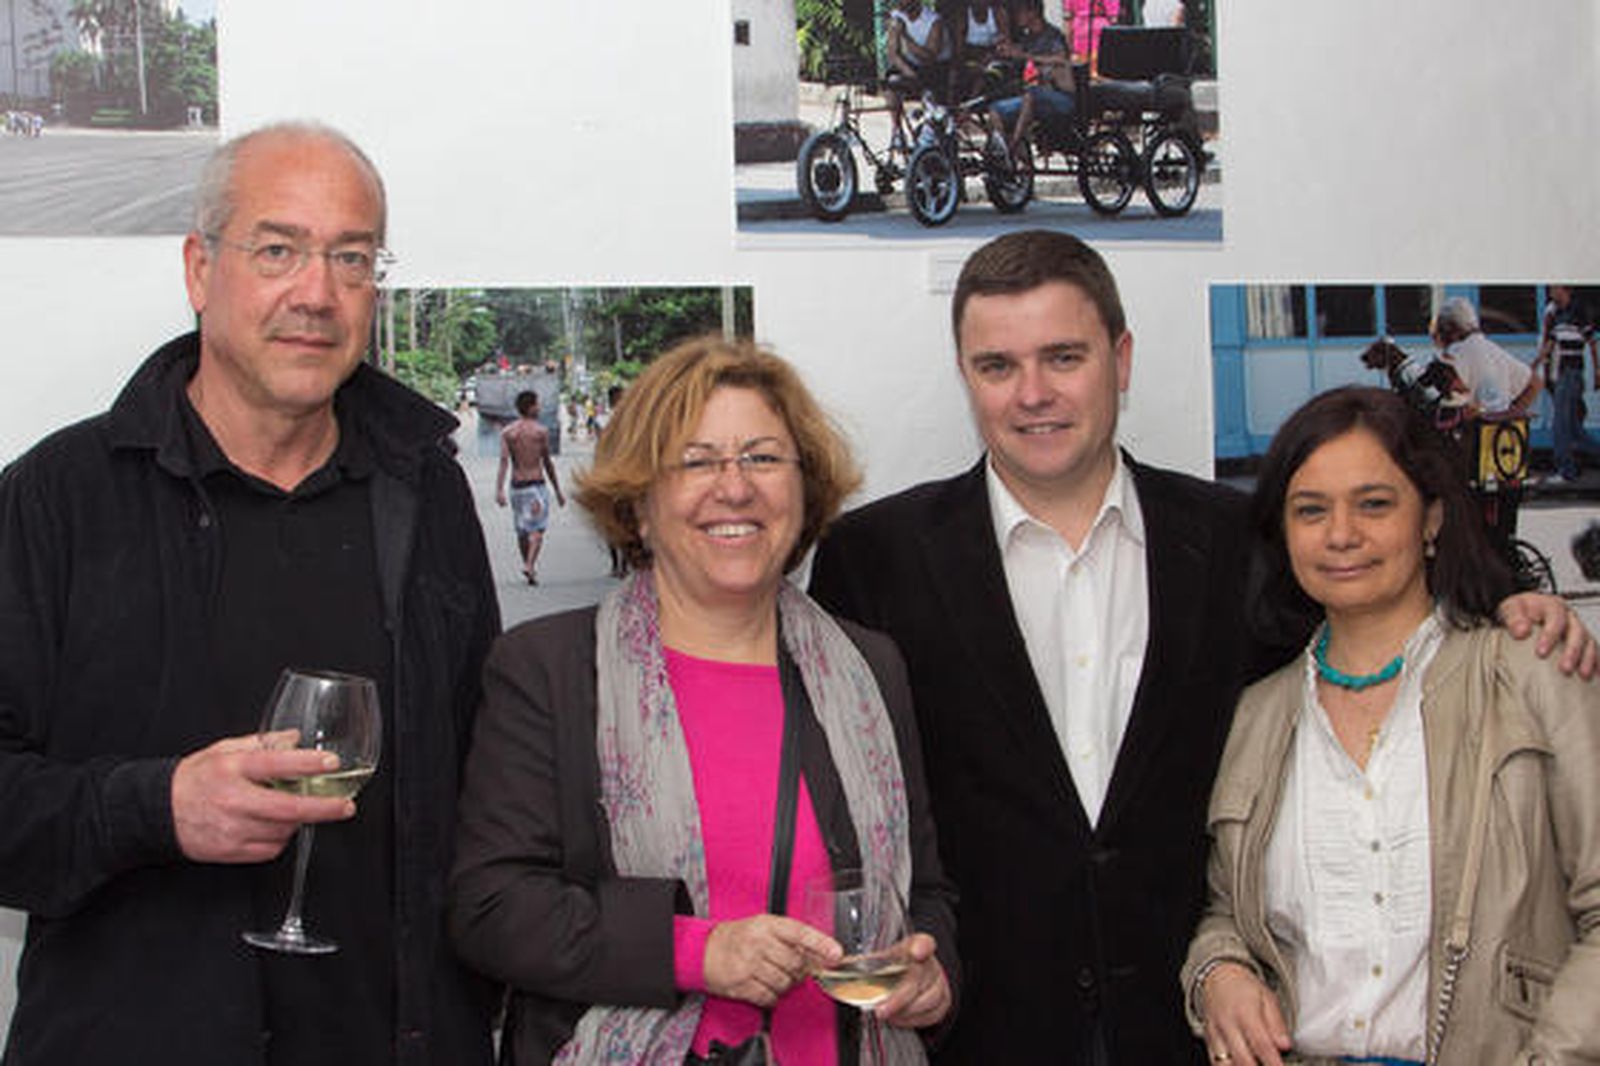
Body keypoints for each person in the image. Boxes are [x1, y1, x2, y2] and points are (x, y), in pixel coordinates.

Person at [808, 230, 1595, 1064]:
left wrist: (1513, 608)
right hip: (980, 1033)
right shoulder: (875, 558)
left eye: (1064, 357)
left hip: (1200, 1037)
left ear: (1123, 359)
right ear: (967, 374)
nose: (1032, 393)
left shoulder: (1239, 542)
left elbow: (1372, 628)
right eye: (997, 366)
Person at [0, 122, 499, 1064]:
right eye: (278, 250)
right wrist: (156, 807)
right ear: (199, 270)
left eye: (350, 258)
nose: (316, 293)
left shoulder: (425, 493)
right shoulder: (53, 500)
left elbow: (481, 780)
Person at [449, 336, 957, 1065]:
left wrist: (932, 975)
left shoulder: (871, 667)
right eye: (695, 460)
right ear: (641, 506)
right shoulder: (550, 669)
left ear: (803, 490)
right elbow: (492, 906)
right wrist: (698, 951)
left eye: (761, 457)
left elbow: (927, 891)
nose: (736, 486)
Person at [1182, 386, 1600, 1065]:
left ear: (1431, 518)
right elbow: (1226, 913)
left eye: (1374, 504)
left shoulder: (1531, 671)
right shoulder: (1258, 714)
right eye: (1310, 511)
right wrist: (1219, 973)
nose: (1341, 534)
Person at [985, 0, 1077, 159]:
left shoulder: (1053, 36)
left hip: (1060, 96)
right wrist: (1004, 50)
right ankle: (1004, 153)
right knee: (995, 109)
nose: (1017, 16)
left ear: (1033, 13)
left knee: (1031, 94)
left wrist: (1027, 56)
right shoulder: (1028, 38)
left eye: (1020, 12)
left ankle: (1014, 143)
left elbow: (1061, 59)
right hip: (1040, 97)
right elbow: (1017, 52)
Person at [495, 389, 565, 585]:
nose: (540, 407)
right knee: (537, 529)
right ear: (531, 407)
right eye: (537, 404)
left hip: (517, 486)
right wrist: (557, 490)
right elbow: (547, 462)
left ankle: (527, 563)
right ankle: (530, 564)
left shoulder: (508, 432)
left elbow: (503, 461)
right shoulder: (540, 432)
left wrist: (499, 489)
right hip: (536, 486)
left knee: (522, 530)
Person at [1431, 296, 1540, 421]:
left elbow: (1446, 391)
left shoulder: (1455, 353)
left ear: (1450, 328)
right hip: (1502, 434)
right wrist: (1510, 413)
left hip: (1473, 433)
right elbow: (1536, 383)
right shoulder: (1493, 350)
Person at [1535, 285, 1600, 484]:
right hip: (1560, 373)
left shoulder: (1578, 311)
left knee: (1560, 424)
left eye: (1554, 289)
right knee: (1572, 427)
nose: (1550, 293)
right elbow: (1550, 344)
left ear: (1565, 289)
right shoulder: (1555, 313)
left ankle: (1566, 471)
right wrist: (1535, 365)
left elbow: (1592, 342)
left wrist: (1597, 371)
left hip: (1571, 373)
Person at [884, 0, 952, 152]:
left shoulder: (934, 21)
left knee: (932, 94)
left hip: (936, 66)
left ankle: (930, 134)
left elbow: (929, 56)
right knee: (891, 83)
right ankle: (897, 131)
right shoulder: (897, 17)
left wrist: (906, 36)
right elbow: (892, 53)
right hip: (911, 65)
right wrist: (908, 72)